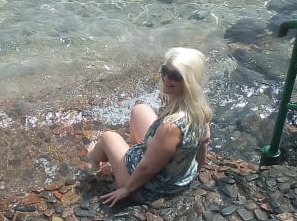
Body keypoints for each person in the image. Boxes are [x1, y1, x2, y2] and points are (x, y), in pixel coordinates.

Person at [87, 47, 213, 207]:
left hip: (148, 188)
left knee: (108, 137)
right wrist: (193, 173)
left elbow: (148, 168)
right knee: (140, 109)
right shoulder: (198, 109)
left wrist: (126, 190)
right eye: (164, 70)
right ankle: (136, 151)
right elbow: (204, 142)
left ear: (189, 81)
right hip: (175, 176)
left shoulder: (171, 127)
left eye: (175, 76)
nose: (166, 78)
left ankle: (93, 162)